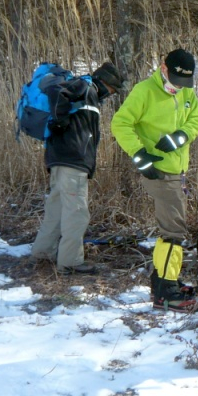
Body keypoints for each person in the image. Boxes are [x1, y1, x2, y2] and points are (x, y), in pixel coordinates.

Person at [111, 49, 198, 312]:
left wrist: (182, 136)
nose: (180, 85)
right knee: (173, 232)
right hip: (160, 172)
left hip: (178, 170)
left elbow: (196, 118)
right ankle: (166, 292)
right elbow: (120, 124)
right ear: (163, 68)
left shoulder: (186, 92)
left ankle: (163, 281)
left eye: (185, 81)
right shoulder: (144, 92)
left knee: (172, 230)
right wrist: (140, 155)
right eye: (176, 78)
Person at [31, 62, 126, 274]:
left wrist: (61, 122)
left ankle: (42, 253)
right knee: (77, 213)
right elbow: (57, 92)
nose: (110, 94)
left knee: (56, 210)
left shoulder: (85, 90)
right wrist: (60, 121)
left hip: (59, 159)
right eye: (111, 90)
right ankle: (70, 262)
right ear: (105, 83)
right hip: (72, 161)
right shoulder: (86, 87)